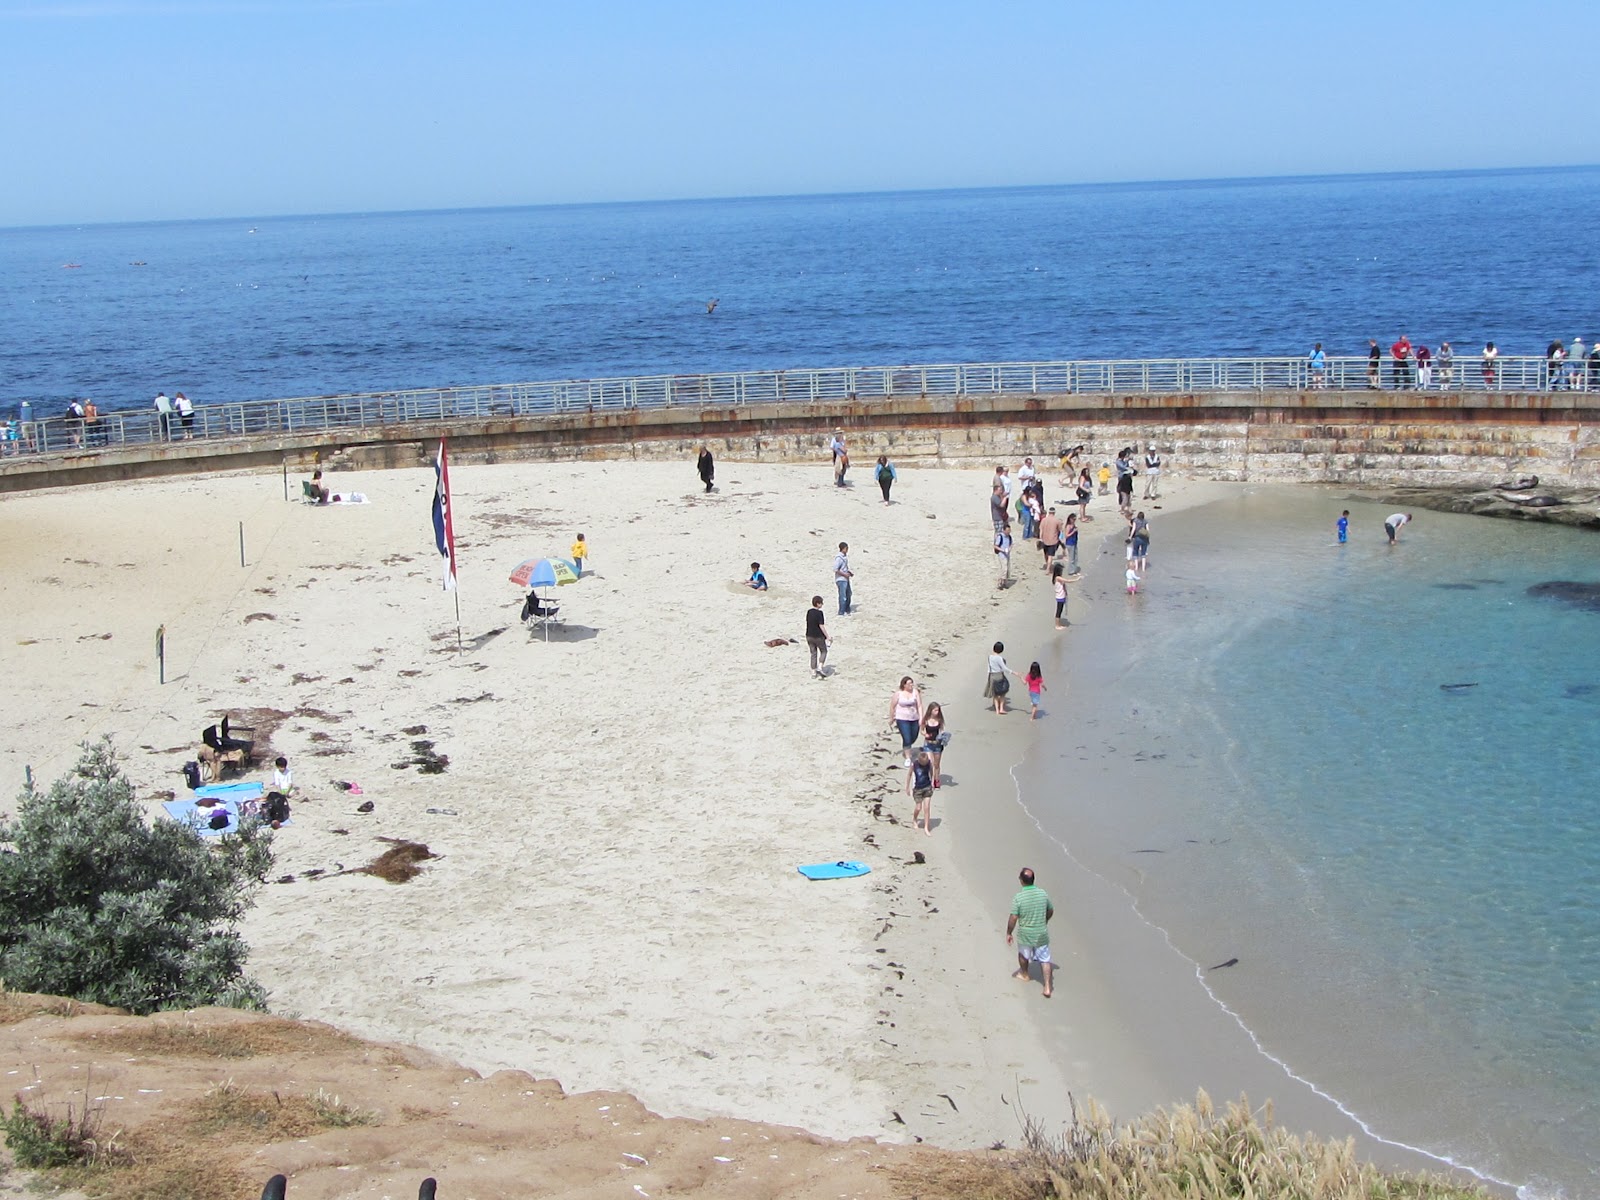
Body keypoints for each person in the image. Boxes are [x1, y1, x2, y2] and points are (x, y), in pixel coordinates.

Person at [1006, 867, 1054, 998]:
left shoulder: (1019, 897)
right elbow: (1050, 910)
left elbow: (1013, 917)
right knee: (1045, 959)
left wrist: (1009, 932)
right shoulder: (1043, 893)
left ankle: (1025, 974)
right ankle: (1048, 987)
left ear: (1021, 881)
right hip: (1041, 933)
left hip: (1026, 933)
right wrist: (1045, 920)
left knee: (1023, 954)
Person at [889, 676, 924, 768]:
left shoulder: (915, 692)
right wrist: (892, 718)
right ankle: (908, 757)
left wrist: (921, 717)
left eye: (912, 683)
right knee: (907, 738)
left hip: (914, 718)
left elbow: (919, 705)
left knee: (914, 736)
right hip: (902, 719)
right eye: (909, 683)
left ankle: (906, 748)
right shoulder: (899, 694)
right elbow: (892, 706)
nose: (911, 685)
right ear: (904, 685)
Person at [905, 748, 935, 835]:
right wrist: (907, 787)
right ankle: (914, 819)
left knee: (927, 808)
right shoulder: (914, 765)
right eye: (923, 764)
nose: (924, 765)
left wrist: (933, 782)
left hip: (927, 787)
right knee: (918, 807)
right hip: (917, 789)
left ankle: (926, 827)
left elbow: (932, 772)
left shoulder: (929, 763)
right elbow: (909, 775)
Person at [984, 641, 1016, 715]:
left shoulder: (989, 657)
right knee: (1002, 693)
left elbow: (989, 668)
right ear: (1001, 650)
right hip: (999, 676)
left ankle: (997, 710)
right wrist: (1014, 673)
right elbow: (1004, 668)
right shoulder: (999, 658)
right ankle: (1001, 708)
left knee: (995, 694)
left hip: (991, 676)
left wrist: (989, 678)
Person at [920, 702, 947, 788]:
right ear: (931, 710)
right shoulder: (926, 719)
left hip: (937, 745)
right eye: (935, 710)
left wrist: (943, 737)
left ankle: (937, 779)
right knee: (930, 763)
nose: (937, 712)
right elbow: (921, 730)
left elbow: (942, 730)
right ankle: (931, 782)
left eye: (938, 710)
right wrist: (925, 734)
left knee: (937, 764)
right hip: (928, 744)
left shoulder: (939, 720)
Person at [805, 596, 830, 676]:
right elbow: (821, 626)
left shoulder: (809, 612)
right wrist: (828, 636)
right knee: (824, 651)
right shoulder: (819, 613)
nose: (822, 604)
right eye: (821, 603)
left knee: (813, 653)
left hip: (809, 635)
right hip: (818, 636)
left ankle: (813, 671)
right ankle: (820, 666)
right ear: (818, 603)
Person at [833, 542, 852, 615]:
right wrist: (844, 574)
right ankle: (841, 611)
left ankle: (847, 609)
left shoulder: (844, 557)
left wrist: (849, 572)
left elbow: (843, 568)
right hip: (841, 579)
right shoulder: (839, 558)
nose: (847, 550)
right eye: (846, 548)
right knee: (843, 596)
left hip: (845, 579)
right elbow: (835, 569)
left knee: (849, 594)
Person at [1052, 560, 1069, 629]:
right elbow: (1067, 581)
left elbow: (1063, 585)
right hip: (1060, 597)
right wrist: (1077, 579)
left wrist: (1066, 592)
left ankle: (1058, 624)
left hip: (1062, 596)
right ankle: (1057, 625)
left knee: (1060, 610)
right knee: (1059, 611)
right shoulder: (1058, 578)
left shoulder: (1058, 578)